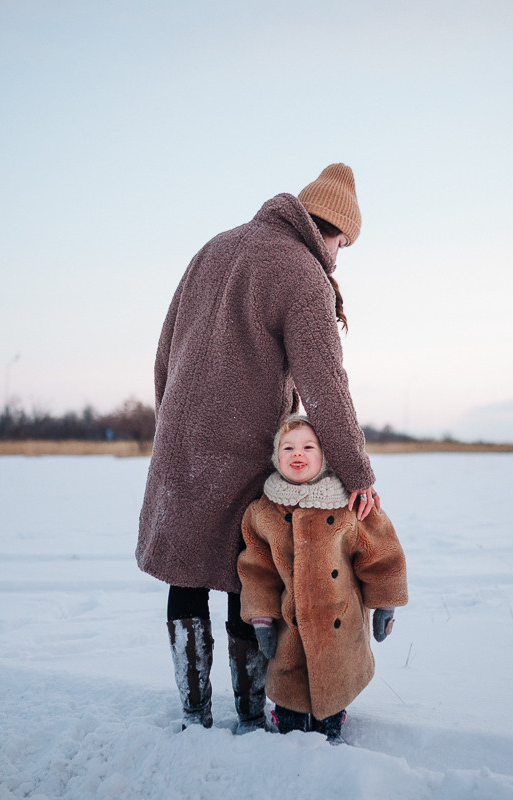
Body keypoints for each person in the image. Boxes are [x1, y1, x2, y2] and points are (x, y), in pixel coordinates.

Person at [136, 164, 382, 733]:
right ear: (328, 231)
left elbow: (164, 351)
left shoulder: (215, 248)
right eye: (343, 245)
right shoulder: (303, 273)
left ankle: (194, 716)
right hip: (243, 448)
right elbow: (326, 386)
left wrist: (171, 424)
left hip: (180, 440)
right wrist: (357, 471)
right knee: (249, 574)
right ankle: (249, 716)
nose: (339, 258)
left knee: (186, 576)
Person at [238, 414, 408, 743]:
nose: (297, 454)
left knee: (334, 680)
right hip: (291, 623)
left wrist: (385, 604)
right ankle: (289, 723)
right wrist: (261, 617)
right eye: (288, 448)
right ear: (276, 456)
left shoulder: (350, 504)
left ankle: (332, 723)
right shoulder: (263, 511)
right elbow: (257, 569)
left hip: (340, 621)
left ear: (325, 456)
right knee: (290, 683)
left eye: (308, 447)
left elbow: (381, 553)